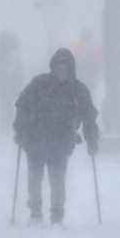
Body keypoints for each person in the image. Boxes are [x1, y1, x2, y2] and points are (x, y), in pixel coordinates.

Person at [13, 48, 100, 227]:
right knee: (35, 178)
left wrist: (92, 138)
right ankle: (35, 214)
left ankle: (57, 217)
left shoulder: (78, 90)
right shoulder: (39, 83)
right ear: (53, 67)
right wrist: (20, 129)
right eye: (59, 67)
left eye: (65, 67)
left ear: (71, 68)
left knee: (57, 179)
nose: (62, 71)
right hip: (35, 138)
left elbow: (89, 117)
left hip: (61, 141)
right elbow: (22, 105)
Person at [0, 31, 24, 131]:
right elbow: (18, 70)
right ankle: (7, 124)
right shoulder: (11, 54)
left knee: (5, 104)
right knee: (7, 104)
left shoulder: (0, 54)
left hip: (4, 84)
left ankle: (6, 124)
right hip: (6, 84)